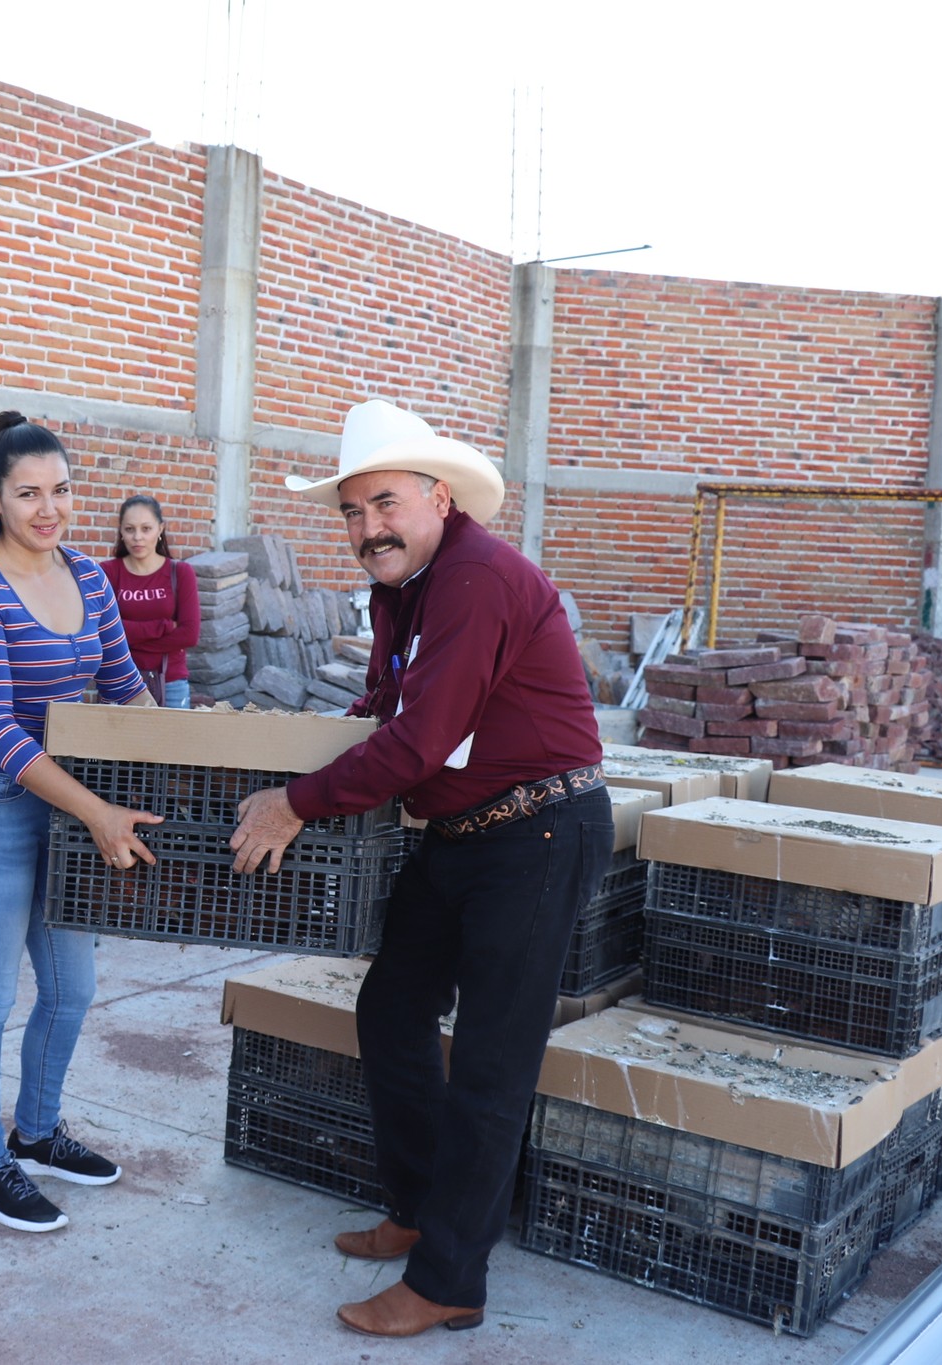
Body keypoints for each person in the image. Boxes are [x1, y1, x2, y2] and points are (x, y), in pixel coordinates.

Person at [227, 399, 612, 1340]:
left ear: (439, 497)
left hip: (539, 833)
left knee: (489, 1060)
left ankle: (451, 1277)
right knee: (392, 1009)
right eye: (352, 513)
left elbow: (422, 741)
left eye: (384, 505)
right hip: (464, 832)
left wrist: (295, 799)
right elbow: (395, 701)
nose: (367, 529)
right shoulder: (410, 584)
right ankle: (421, 1207)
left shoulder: (476, 577)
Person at [0, 410, 161, 1234]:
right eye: (28, 493)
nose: (48, 508)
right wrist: (98, 810)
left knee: (71, 989)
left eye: (61, 490)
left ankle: (36, 1131)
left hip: (62, 812)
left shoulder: (92, 580)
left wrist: (193, 747)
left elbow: (128, 686)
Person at [99, 494, 200, 709]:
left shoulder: (180, 572)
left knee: (172, 743)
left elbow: (190, 634)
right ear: (121, 531)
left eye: (146, 529)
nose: (137, 537)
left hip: (170, 682)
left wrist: (128, 640)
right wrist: (163, 627)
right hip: (120, 681)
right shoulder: (107, 572)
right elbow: (103, 631)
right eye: (129, 529)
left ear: (160, 529)